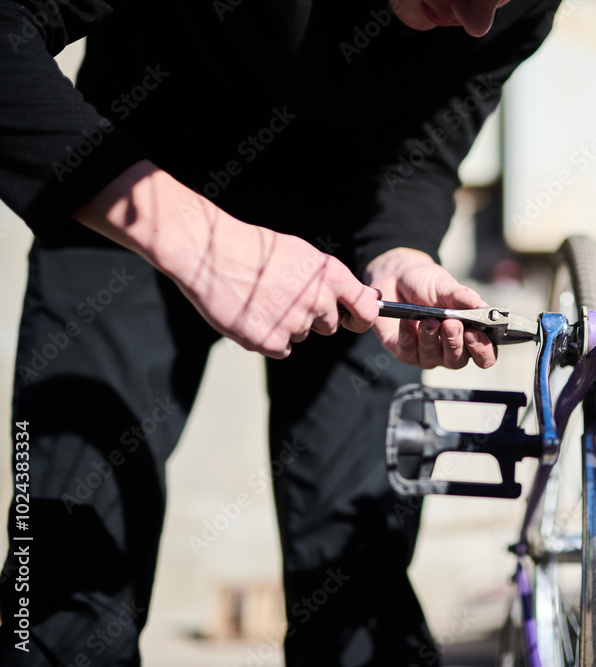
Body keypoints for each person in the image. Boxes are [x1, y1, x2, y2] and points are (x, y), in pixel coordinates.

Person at [0, 0, 560, 664]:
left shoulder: (504, 11)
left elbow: (430, 141)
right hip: (130, 193)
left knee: (358, 590)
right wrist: (201, 242)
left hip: (346, 248)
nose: (478, 23)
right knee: (65, 580)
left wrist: (399, 248)